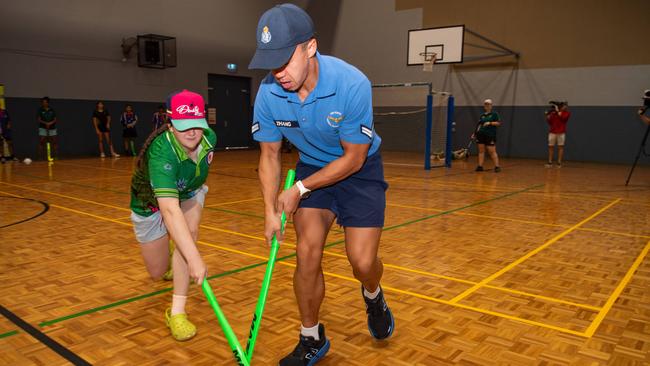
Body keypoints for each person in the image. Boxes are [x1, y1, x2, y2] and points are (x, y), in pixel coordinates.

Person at [249, 4, 394, 365]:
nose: (278, 72)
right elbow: (269, 155)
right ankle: (311, 337)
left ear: (310, 47)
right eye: (271, 62)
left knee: (362, 262)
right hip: (313, 165)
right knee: (306, 253)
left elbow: (354, 158)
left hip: (359, 170)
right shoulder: (269, 94)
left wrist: (299, 189)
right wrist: (269, 212)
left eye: (285, 59)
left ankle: (373, 294)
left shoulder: (351, 84)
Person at [129, 89, 216, 341]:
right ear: (169, 125)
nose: (192, 132)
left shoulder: (210, 138)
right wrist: (196, 259)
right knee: (157, 272)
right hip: (150, 204)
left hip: (188, 192)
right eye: (183, 126)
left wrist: (189, 251)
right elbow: (168, 209)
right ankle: (171, 255)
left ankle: (177, 312)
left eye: (197, 125)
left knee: (187, 238)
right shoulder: (160, 153)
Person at [472, 99, 501, 172]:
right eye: (485, 104)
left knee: (492, 151)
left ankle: (497, 167)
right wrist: (475, 133)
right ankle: (480, 166)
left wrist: (490, 123)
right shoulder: (482, 116)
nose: (487, 106)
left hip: (490, 135)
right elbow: (479, 125)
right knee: (481, 151)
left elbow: (498, 123)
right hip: (481, 135)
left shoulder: (494, 114)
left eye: (488, 104)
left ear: (491, 106)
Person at [545, 102, 570, 167]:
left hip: (561, 132)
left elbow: (563, 118)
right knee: (550, 147)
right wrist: (547, 116)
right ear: (561, 106)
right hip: (552, 132)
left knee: (560, 147)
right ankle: (550, 162)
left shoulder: (567, 113)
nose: (566, 107)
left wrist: (557, 111)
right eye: (565, 106)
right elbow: (550, 122)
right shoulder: (553, 113)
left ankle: (559, 163)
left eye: (566, 106)